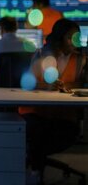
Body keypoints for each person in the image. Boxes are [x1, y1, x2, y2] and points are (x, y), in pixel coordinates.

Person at [21, 19, 87, 175]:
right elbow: (27, 83)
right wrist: (45, 86)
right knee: (36, 130)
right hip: (35, 111)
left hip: (63, 113)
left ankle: (35, 165)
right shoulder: (41, 54)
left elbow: (82, 82)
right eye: (71, 37)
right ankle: (36, 167)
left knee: (62, 132)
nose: (75, 41)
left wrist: (70, 86)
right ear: (60, 37)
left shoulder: (81, 58)